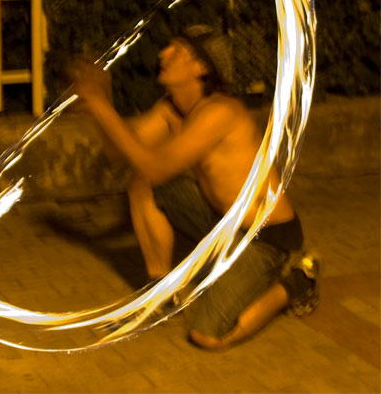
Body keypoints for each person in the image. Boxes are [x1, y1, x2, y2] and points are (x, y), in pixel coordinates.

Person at [73, 24, 319, 349]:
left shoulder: (220, 113)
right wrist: (99, 105)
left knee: (207, 335)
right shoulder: (171, 109)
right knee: (141, 183)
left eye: (177, 50)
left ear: (201, 67)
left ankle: (297, 283)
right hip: (224, 226)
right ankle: (161, 293)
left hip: (265, 239)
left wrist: (101, 105)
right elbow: (122, 156)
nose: (163, 53)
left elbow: (154, 166)